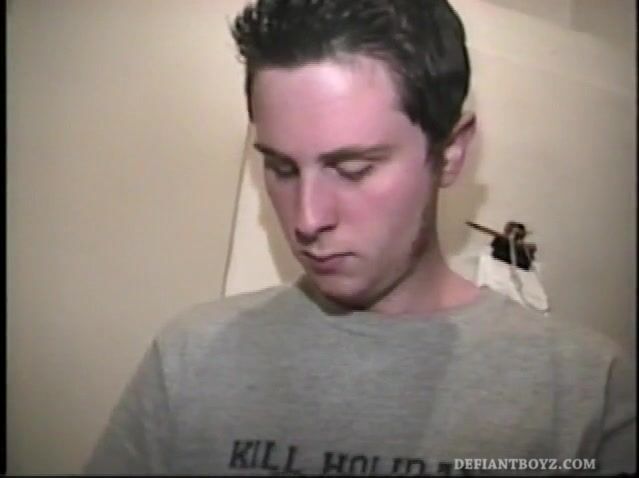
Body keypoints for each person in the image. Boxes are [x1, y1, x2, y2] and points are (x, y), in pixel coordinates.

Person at [83, 0, 636, 475]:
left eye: (353, 169)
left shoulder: (585, 392)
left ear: (450, 152)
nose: (307, 219)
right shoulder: (189, 358)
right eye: (281, 168)